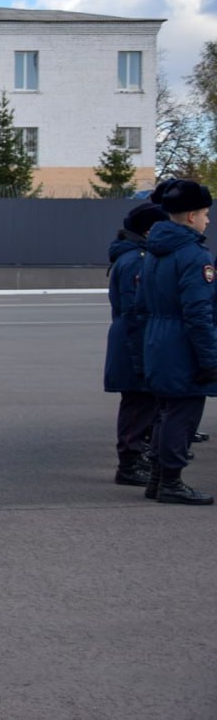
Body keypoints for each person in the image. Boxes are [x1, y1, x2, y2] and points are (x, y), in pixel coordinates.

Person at [140, 179, 216, 505]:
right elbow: (199, 312)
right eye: (205, 214)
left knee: (165, 411)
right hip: (183, 342)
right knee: (183, 411)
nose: (207, 220)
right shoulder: (193, 255)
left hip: (157, 338)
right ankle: (171, 482)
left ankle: (157, 479)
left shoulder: (155, 250)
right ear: (190, 217)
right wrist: (210, 359)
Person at [104, 202, 169, 486]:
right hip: (134, 339)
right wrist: (142, 355)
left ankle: (136, 457)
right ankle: (129, 464)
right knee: (136, 403)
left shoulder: (136, 255)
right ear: (149, 229)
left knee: (143, 403)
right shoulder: (135, 260)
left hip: (135, 338)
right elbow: (134, 310)